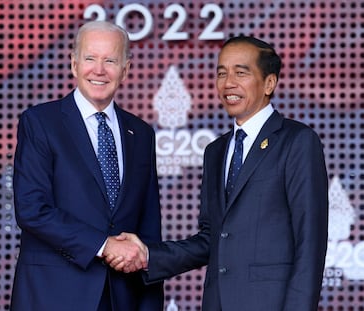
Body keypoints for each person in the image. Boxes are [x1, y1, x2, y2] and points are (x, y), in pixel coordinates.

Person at [107, 36, 329, 311]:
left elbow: (310, 243)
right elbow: (211, 238)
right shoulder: (216, 150)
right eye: (221, 73)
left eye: (241, 72)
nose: (228, 83)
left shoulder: (297, 141)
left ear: (269, 83)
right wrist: (148, 255)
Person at [10, 21, 163, 311]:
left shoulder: (141, 133)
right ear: (74, 65)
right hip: (52, 296)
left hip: (123, 298)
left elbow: (148, 228)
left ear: (126, 69)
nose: (99, 70)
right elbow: (32, 209)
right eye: (90, 58)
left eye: (110, 60)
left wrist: (150, 302)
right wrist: (104, 245)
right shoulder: (40, 123)